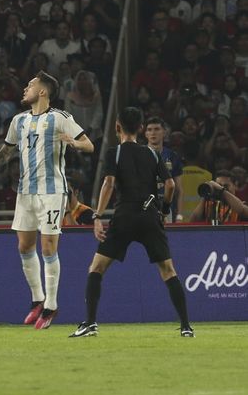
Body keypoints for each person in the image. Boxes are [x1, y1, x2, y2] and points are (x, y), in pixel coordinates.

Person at [0, 71, 94, 329]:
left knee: (48, 248)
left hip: (52, 191)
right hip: (26, 191)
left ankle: (51, 305)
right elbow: (7, 149)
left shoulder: (60, 117)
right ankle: (37, 299)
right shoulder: (18, 121)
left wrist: (73, 144)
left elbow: (89, 145)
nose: (25, 89)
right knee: (24, 246)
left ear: (42, 91)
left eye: (30, 85)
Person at [71, 107, 193, 338]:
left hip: (124, 217)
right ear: (140, 128)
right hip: (150, 216)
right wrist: (164, 210)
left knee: (97, 268)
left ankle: (90, 323)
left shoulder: (114, 153)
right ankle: (186, 326)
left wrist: (97, 216)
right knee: (168, 270)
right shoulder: (152, 154)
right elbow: (171, 186)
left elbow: (108, 183)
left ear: (117, 127)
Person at [144, 117, 184, 222]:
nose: (153, 133)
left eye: (157, 129)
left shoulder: (172, 156)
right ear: (145, 134)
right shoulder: (139, 155)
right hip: (144, 207)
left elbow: (179, 189)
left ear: (164, 133)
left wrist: (179, 215)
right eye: (149, 129)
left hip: (167, 208)